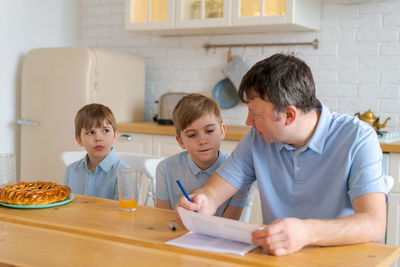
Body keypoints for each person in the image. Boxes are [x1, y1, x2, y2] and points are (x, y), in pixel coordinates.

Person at [177, 54, 387, 255]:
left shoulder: (358, 137)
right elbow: (214, 192)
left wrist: (307, 232)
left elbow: (374, 224)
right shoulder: (257, 138)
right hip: (278, 258)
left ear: (289, 115)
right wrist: (203, 200)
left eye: (255, 113)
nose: (248, 122)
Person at [156, 93, 249, 220]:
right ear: (181, 141)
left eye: (209, 131)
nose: (202, 141)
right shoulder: (165, 169)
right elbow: (163, 220)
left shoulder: (238, 171)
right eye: (192, 135)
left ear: (222, 131)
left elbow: (229, 224)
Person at [64, 103, 128, 200]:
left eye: (105, 131)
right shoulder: (71, 170)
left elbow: (123, 214)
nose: (98, 138)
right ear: (79, 140)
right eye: (90, 132)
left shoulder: (125, 175)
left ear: (115, 136)